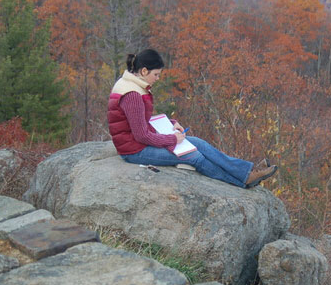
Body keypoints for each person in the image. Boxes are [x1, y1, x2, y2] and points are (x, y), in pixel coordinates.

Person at [107, 48, 277, 188]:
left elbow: (140, 120)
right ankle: (241, 182)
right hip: (134, 151)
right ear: (144, 71)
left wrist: (171, 124)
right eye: (156, 75)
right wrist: (172, 139)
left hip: (138, 143)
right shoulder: (132, 94)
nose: (158, 79)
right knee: (193, 156)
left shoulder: (133, 84)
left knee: (198, 143)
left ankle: (246, 172)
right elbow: (141, 135)